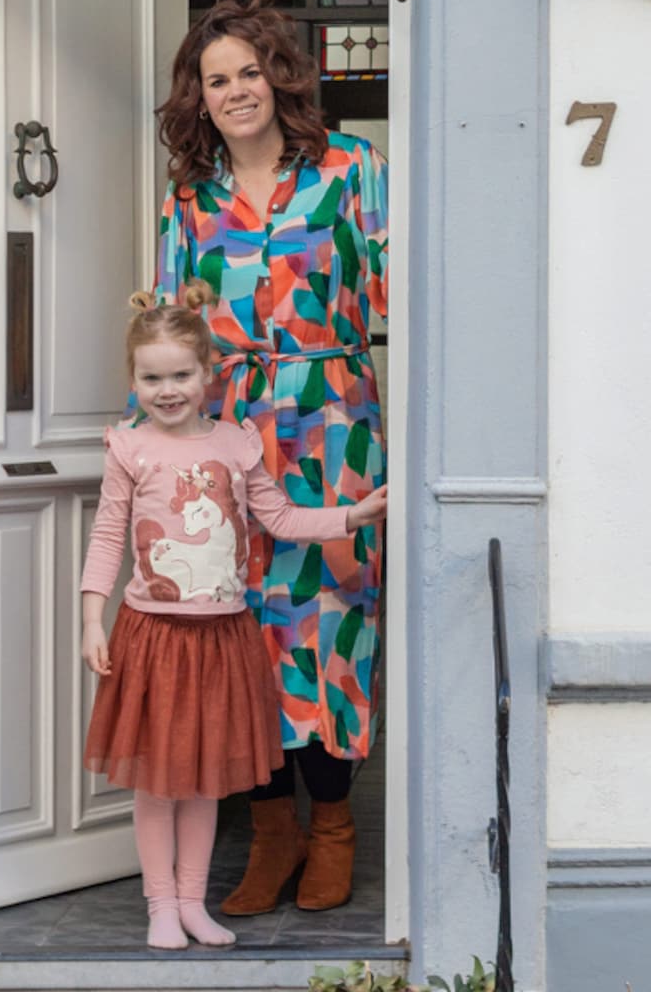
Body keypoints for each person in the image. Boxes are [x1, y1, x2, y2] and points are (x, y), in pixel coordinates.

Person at [153, 0, 387, 914]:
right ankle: (270, 834)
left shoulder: (352, 168)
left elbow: (401, 285)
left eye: (249, 71)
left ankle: (332, 824)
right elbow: (172, 328)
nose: (236, 91)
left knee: (333, 629)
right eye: (217, 80)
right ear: (198, 99)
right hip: (229, 436)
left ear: (278, 76)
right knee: (238, 633)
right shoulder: (190, 197)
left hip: (335, 429)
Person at [81, 287, 388, 950]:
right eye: (152, 377)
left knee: (202, 784)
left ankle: (193, 903)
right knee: (158, 782)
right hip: (153, 636)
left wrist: (350, 517)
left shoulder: (235, 443)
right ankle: (160, 903)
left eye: (181, 375)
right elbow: (108, 535)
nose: (168, 390)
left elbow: (277, 519)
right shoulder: (129, 448)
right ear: (133, 380)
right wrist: (89, 618)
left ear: (210, 372)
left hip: (222, 637)